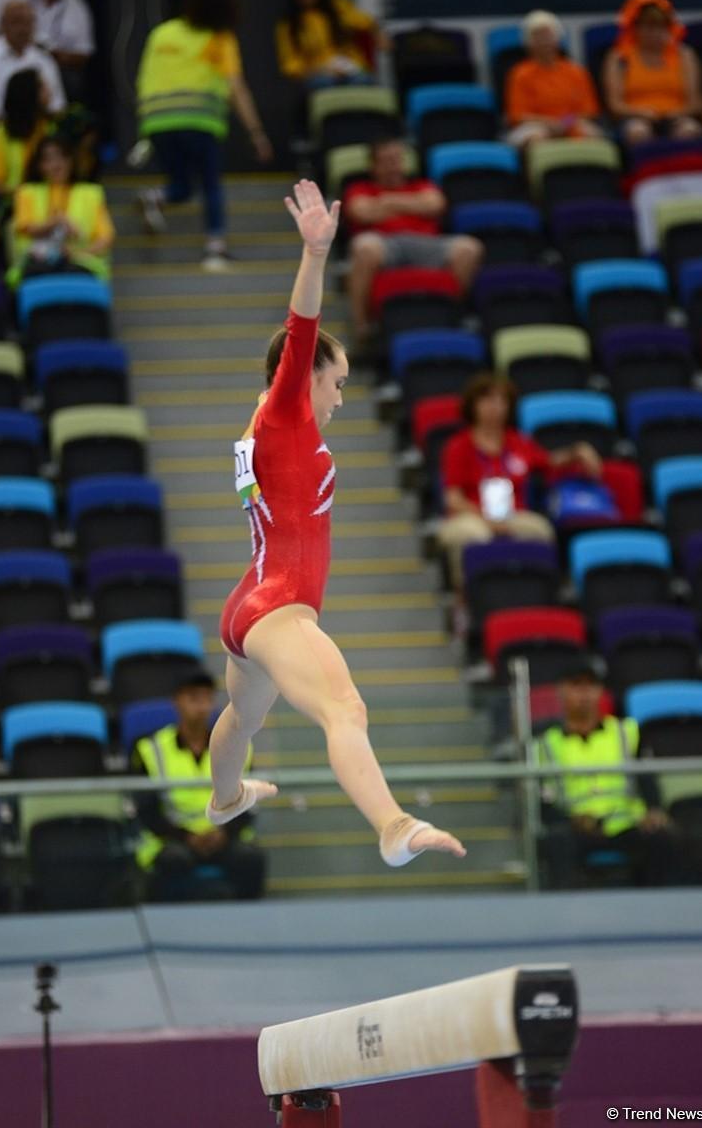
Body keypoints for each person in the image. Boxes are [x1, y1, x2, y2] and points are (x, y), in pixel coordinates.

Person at [207, 178, 466, 869]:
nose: (341, 398)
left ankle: (225, 796)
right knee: (344, 709)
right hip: (281, 608)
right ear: (304, 377)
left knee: (244, 717)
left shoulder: (257, 432)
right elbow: (300, 331)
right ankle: (391, 824)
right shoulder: (282, 411)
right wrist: (316, 255)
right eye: (338, 382)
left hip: (248, 605)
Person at [136, 0, 273, 273]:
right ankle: (215, 249)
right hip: (199, 120)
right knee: (210, 183)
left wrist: (144, 124)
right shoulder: (218, 38)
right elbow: (236, 87)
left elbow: (144, 77)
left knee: (182, 185)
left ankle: (153, 197)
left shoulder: (162, 33)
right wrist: (256, 133)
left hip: (157, 122)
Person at [438, 373, 602, 587]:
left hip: (511, 514)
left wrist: (577, 452)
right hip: (471, 516)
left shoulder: (518, 442)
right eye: (488, 400)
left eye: (501, 400)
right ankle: (465, 602)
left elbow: (550, 462)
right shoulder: (458, 446)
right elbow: (453, 499)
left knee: (540, 530)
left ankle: (540, 591)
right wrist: (487, 519)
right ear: (473, 404)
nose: (495, 407)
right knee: (474, 536)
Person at [536, 656, 678, 889]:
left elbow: (647, 780)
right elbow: (542, 800)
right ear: (560, 691)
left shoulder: (626, 731)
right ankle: (566, 917)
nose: (584, 694)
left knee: (662, 837)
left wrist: (653, 811)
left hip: (626, 825)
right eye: (576, 685)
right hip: (577, 828)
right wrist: (571, 820)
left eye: (590, 686)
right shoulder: (544, 745)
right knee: (556, 842)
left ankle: (661, 912)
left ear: (600, 691)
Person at [133, 668, 266, 902]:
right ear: (176, 701)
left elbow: (249, 801)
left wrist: (223, 834)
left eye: (207, 698)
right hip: (174, 839)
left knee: (250, 858)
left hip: (224, 837)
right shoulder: (149, 749)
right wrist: (186, 837)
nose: (202, 706)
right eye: (193, 698)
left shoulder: (236, 745)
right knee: (173, 862)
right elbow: (146, 810)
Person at [344, 135, 484, 349]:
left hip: (427, 244)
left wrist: (387, 202)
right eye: (386, 160)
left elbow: (436, 205)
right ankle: (363, 327)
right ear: (373, 165)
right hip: (386, 244)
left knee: (469, 248)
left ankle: (452, 314)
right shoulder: (360, 188)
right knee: (364, 247)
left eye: (396, 159)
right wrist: (414, 205)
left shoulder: (422, 184)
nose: (393, 166)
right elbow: (362, 213)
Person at [8, 135, 114, 285]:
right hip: (37, 263)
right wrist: (56, 222)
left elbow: (105, 238)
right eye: (48, 160)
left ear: (71, 161)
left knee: (72, 275)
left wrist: (77, 254)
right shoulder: (27, 192)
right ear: (39, 165)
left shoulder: (92, 193)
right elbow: (24, 227)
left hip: (80, 264)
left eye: (62, 157)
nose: (56, 165)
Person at [602, 0, 702, 146]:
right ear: (635, 28)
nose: (655, 33)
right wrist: (642, 113)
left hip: (676, 116)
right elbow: (615, 105)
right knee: (638, 132)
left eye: (661, 27)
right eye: (649, 27)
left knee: (689, 130)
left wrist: (676, 113)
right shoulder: (619, 57)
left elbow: (695, 101)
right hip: (636, 118)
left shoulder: (684, 54)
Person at [276, 0, 387, 90]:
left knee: (363, 80)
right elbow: (290, 66)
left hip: (350, 70)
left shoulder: (337, 7)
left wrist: (379, 35)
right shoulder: (288, 24)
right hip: (318, 75)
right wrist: (316, 70)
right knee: (324, 83)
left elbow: (366, 22)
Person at [0, 1, 65, 142]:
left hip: (38, 136)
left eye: (28, 22)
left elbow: (57, 108)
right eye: (16, 22)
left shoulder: (45, 61)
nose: (23, 29)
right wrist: (15, 132)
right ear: (2, 25)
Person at [505, 10, 603, 146]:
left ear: (557, 38)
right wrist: (549, 123)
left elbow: (588, 110)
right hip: (535, 125)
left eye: (547, 35)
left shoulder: (576, 71)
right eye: (537, 36)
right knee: (535, 137)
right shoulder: (520, 74)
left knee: (593, 135)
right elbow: (518, 115)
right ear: (528, 42)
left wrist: (564, 123)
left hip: (571, 122)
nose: (544, 41)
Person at [0, 69, 52, 201]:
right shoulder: (1, 133)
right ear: (29, 94)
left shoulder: (50, 127)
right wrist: (26, 194)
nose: (50, 91)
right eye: (43, 87)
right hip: (14, 203)